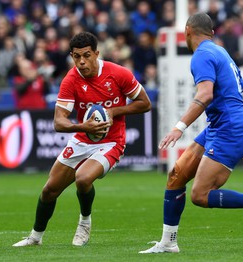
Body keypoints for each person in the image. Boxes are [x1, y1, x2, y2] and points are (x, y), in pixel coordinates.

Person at [139, 12, 243, 254]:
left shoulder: (201, 56)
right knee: (176, 176)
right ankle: (168, 242)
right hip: (223, 128)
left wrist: (179, 127)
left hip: (227, 129)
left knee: (200, 195)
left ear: (187, 31)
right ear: (212, 33)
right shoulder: (221, 52)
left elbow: (205, 95)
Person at [13, 32, 151, 247]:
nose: (82, 62)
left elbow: (145, 103)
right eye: (76, 56)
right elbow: (59, 122)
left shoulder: (118, 73)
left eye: (86, 55)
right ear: (72, 56)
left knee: (83, 178)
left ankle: (84, 222)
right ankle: (35, 237)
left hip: (111, 142)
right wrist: (82, 127)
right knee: (49, 190)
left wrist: (114, 111)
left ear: (97, 53)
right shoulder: (71, 79)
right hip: (82, 139)